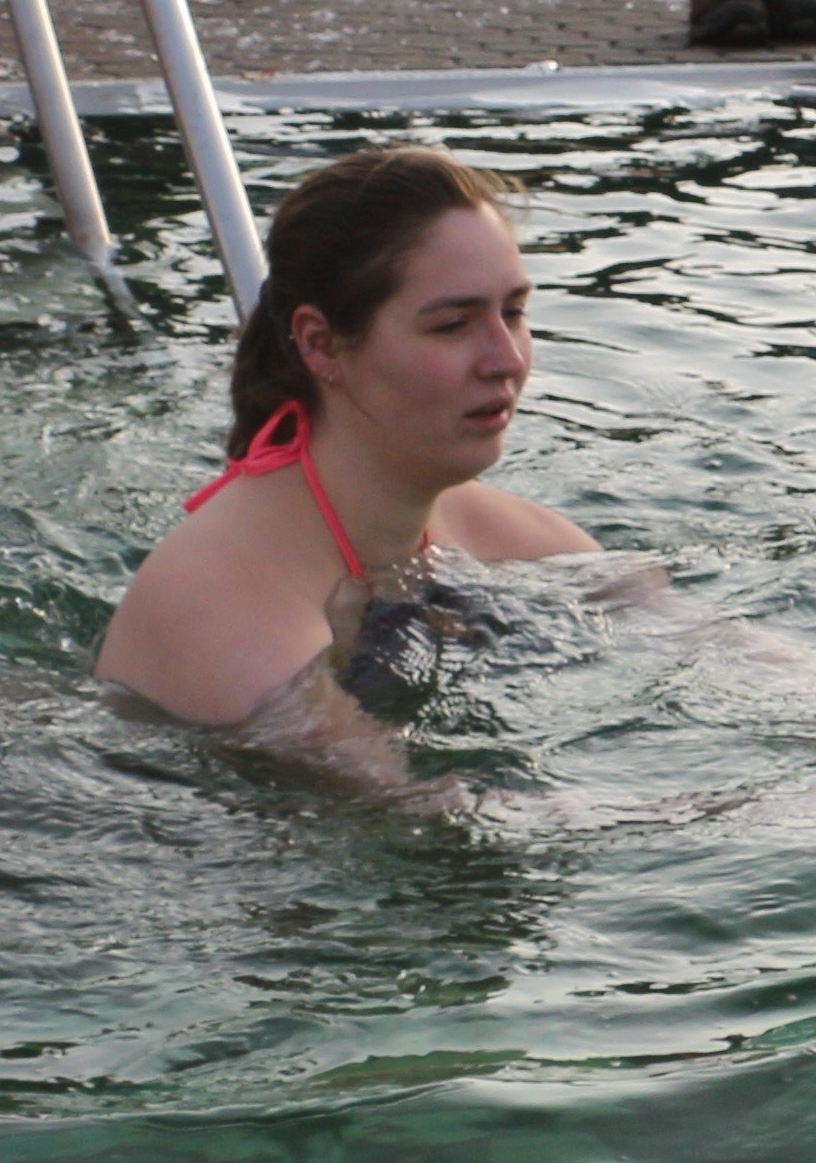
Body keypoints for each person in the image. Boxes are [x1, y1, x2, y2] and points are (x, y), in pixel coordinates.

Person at [95, 144, 598, 802]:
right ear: (320, 344)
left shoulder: (473, 524)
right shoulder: (232, 616)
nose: (506, 359)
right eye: (453, 325)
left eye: (513, 313)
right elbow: (429, 817)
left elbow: (713, 643)